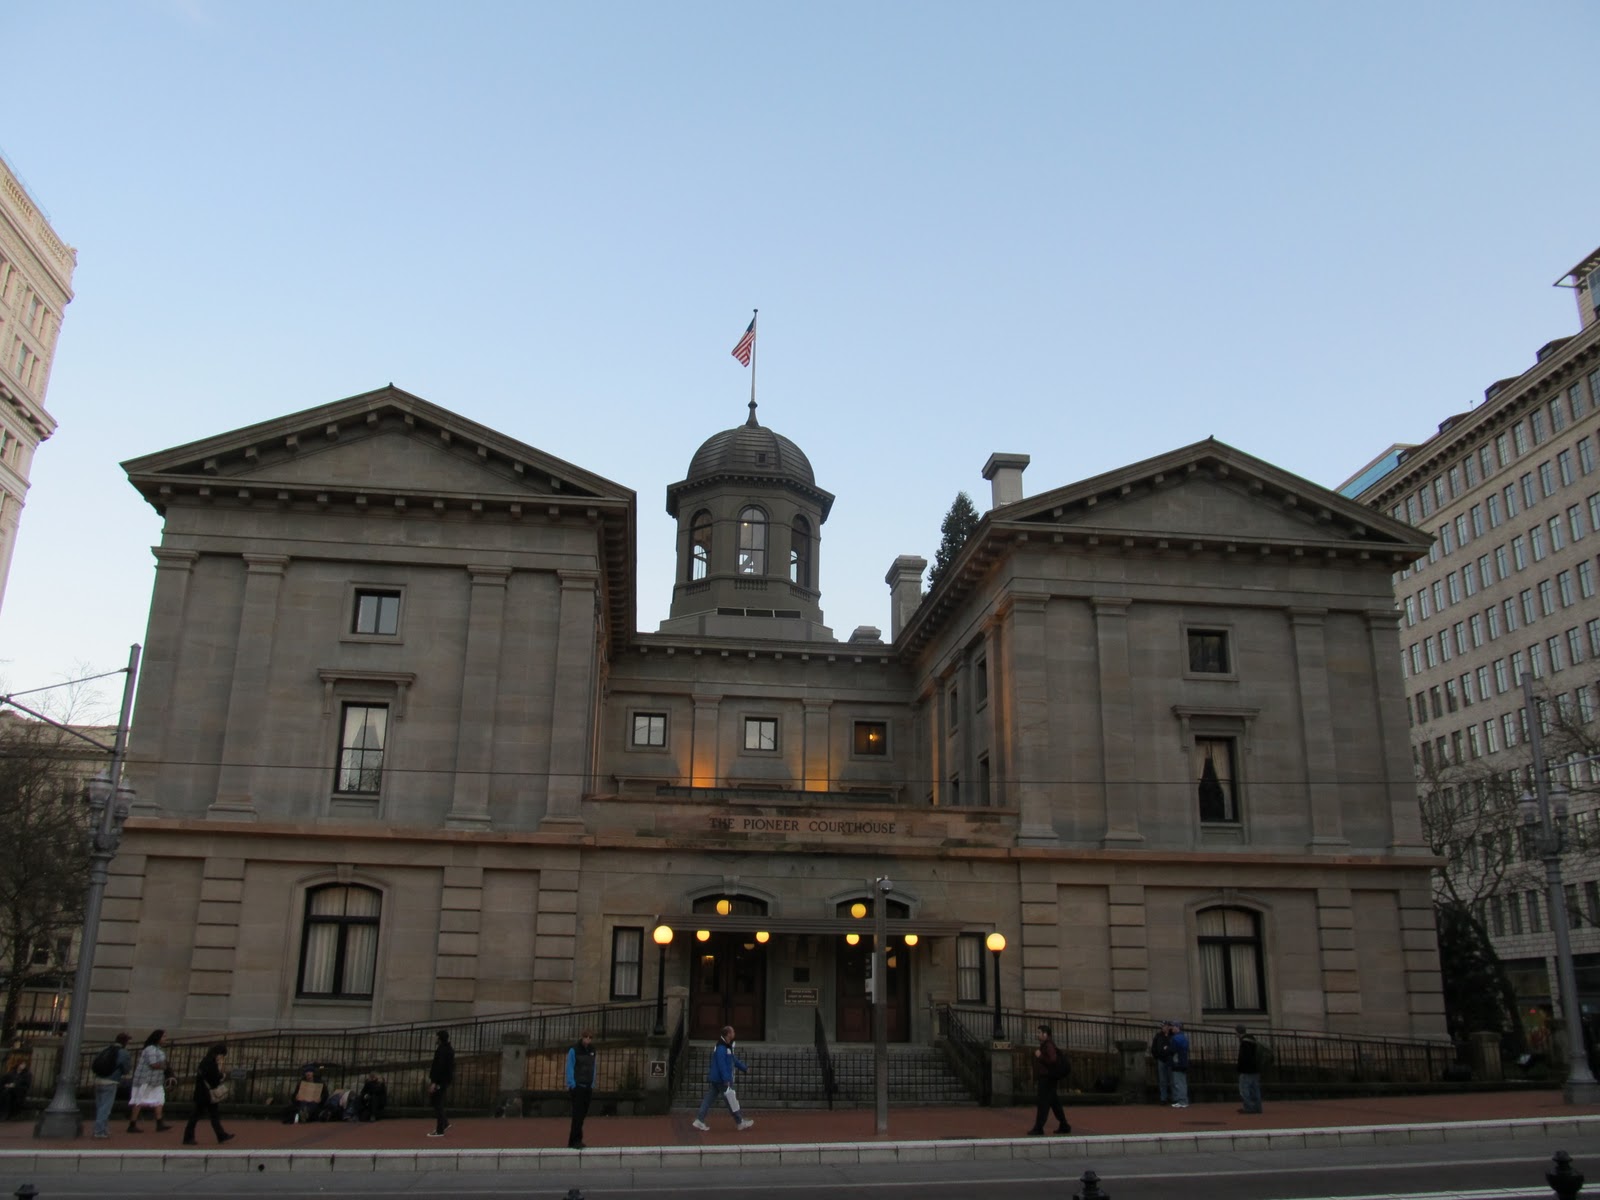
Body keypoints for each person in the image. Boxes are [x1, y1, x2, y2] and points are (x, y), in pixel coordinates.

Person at [692, 1025, 754, 1132]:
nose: (734, 1033)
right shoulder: (722, 1047)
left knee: (709, 1099)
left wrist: (744, 1068)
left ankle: (700, 1119)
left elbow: (733, 1060)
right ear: (728, 1034)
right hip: (721, 1079)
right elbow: (722, 1064)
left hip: (717, 1078)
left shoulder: (724, 1046)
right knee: (731, 1100)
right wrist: (726, 1079)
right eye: (732, 1032)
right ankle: (740, 1122)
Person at [182, 1042, 235, 1145]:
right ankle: (188, 1137)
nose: (222, 1058)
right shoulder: (211, 1063)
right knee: (198, 1115)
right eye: (222, 1055)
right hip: (206, 1094)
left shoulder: (205, 1061)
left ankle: (221, 1135)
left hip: (202, 1092)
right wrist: (221, 1075)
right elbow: (214, 1078)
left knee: (210, 1115)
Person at [1026, 1024, 1071, 1136]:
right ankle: (1064, 1125)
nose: (1037, 1035)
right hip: (1048, 1077)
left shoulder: (1048, 1045)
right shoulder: (1046, 1044)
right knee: (1054, 1103)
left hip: (1047, 1078)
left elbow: (1052, 1059)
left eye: (1039, 1032)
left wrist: (1040, 1056)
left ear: (1045, 1034)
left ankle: (1038, 1127)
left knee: (1043, 1103)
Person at [128, 1029, 172, 1132]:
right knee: (139, 1100)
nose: (165, 1039)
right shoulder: (150, 1049)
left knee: (159, 1100)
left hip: (156, 1080)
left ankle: (159, 1122)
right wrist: (164, 1066)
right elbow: (153, 1064)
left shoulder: (158, 1049)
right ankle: (132, 1124)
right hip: (145, 1079)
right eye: (163, 1037)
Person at [91, 1033, 132, 1138]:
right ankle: (99, 1131)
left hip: (98, 1079)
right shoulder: (123, 1053)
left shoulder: (106, 1049)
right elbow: (126, 1070)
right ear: (125, 1042)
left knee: (100, 1107)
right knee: (106, 1108)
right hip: (111, 1081)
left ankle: (103, 1129)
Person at [565, 1029, 597, 1149]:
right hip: (578, 1086)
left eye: (590, 1037)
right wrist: (572, 1084)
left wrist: (592, 1083)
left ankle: (578, 1138)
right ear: (582, 1037)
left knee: (582, 1115)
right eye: (586, 1037)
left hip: (588, 1086)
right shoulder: (574, 1050)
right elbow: (570, 1067)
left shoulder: (592, 1050)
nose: (588, 1039)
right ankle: (574, 1140)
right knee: (577, 1115)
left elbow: (593, 1066)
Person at [426, 1029, 454, 1137]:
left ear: (440, 1038)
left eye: (437, 1037)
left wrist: (434, 1082)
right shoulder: (448, 1049)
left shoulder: (442, 1050)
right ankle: (444, 1123)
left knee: (437, 1103)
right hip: (444, 1080)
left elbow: (439, 1067)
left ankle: (440, 1129)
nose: (435, 1039)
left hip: (440, 1081)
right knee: (437, 1101)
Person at [1235, 1025, 1263, 1114]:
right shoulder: (1253, 1040)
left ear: (1238, 1032)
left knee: (1244, 1089)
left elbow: (1244, 1058)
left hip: (1246, 1070)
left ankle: (1248, 1107)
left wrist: (1239, 1068)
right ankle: (1257, 1107)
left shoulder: (1245, 1042)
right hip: (1255, 1069)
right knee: (1255, 1089)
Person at [1149, 1020, 1176, 1104]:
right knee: (1162, 1080)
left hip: (1170, 1060)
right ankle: (1163, 1098)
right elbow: (1154, 1048)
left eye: (1166, 1026)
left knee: (1172, 1080)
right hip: (1161, 1060)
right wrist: (1157, 1056)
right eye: (1163, 1026)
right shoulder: (1158, 1036)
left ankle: (1174, 1097)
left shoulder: (1172, 1036)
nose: (1164, 1027)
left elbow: (1174, 1047)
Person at [1169, 1020, 1191, 1109]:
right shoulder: (1184, 1037)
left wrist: (1167, 1049)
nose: (1172, 1028)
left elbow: (1172, 1050)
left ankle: (1182, 1101)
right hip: (1182, 1062)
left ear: (1177, 1027)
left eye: (1173, 1026)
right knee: (1181, 1082)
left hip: (1177, 1062)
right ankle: (1181, 1100)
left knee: (1179, 1083)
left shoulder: (1176, 1038)